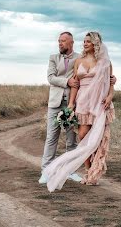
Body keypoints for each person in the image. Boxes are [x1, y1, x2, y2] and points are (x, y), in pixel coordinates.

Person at [42, 31, 115, 190]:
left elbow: (111, 82)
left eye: (88, 41)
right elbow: (74, 84)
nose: (85, 43)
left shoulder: (105, 63)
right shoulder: (79, 61)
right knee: (82, 136)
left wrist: (110, 97)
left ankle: (93, 171)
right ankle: (88, 170)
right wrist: (71, 104)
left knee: (97, 139)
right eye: (84, 41)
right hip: (82, 102)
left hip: (98, 103)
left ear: (95, 44)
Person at [38, 31, 80, 184]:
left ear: (71, 42)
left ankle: (71, 171)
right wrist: (67, 82)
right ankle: (46, 171)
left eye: (63, 41)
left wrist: (111, 78)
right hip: (55, 103)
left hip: (72, 103)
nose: (60, 43)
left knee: (71, 140)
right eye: (59, 41)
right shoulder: (53, 58)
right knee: (51, 137)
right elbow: (50, 78)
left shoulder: (79, 58)